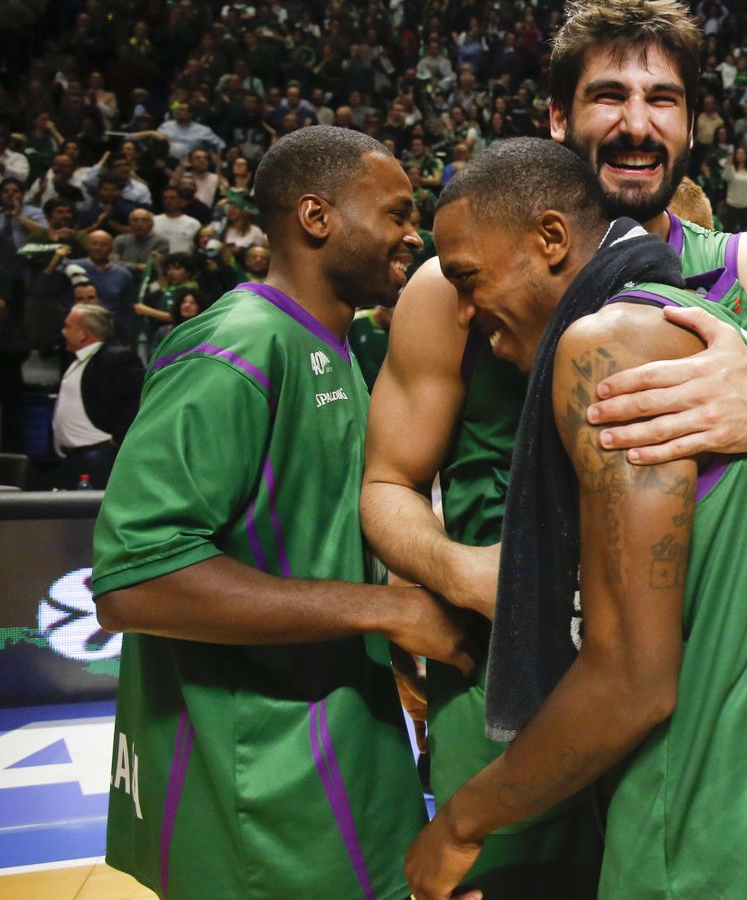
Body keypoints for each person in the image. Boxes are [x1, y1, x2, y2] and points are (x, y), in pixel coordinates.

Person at [362, 0, 747, 898]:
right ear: (559, 117)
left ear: (691, 125)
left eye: (663, 100)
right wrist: (461, 574)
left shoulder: (746, 267)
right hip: (516, 674)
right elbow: (386, 483)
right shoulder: (453, 286)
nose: (636, 123)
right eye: (609, 95)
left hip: (692, 688)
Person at [90, 126, 476, 900]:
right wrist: (386, 610)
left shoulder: (329, 349)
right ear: (315, 215)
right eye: (396, 213)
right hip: (262, 796)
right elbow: (134, 583)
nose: (411, 234)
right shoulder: (233, 347)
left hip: (336, 768)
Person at [50, 303, 142, 488]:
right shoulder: (80, 360)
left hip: (99, 457)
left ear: (84, 334)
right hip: (74, 458)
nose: (63, 331)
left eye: (68, 326)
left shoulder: (116, 358)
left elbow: (137, 400)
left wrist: (116, 441)